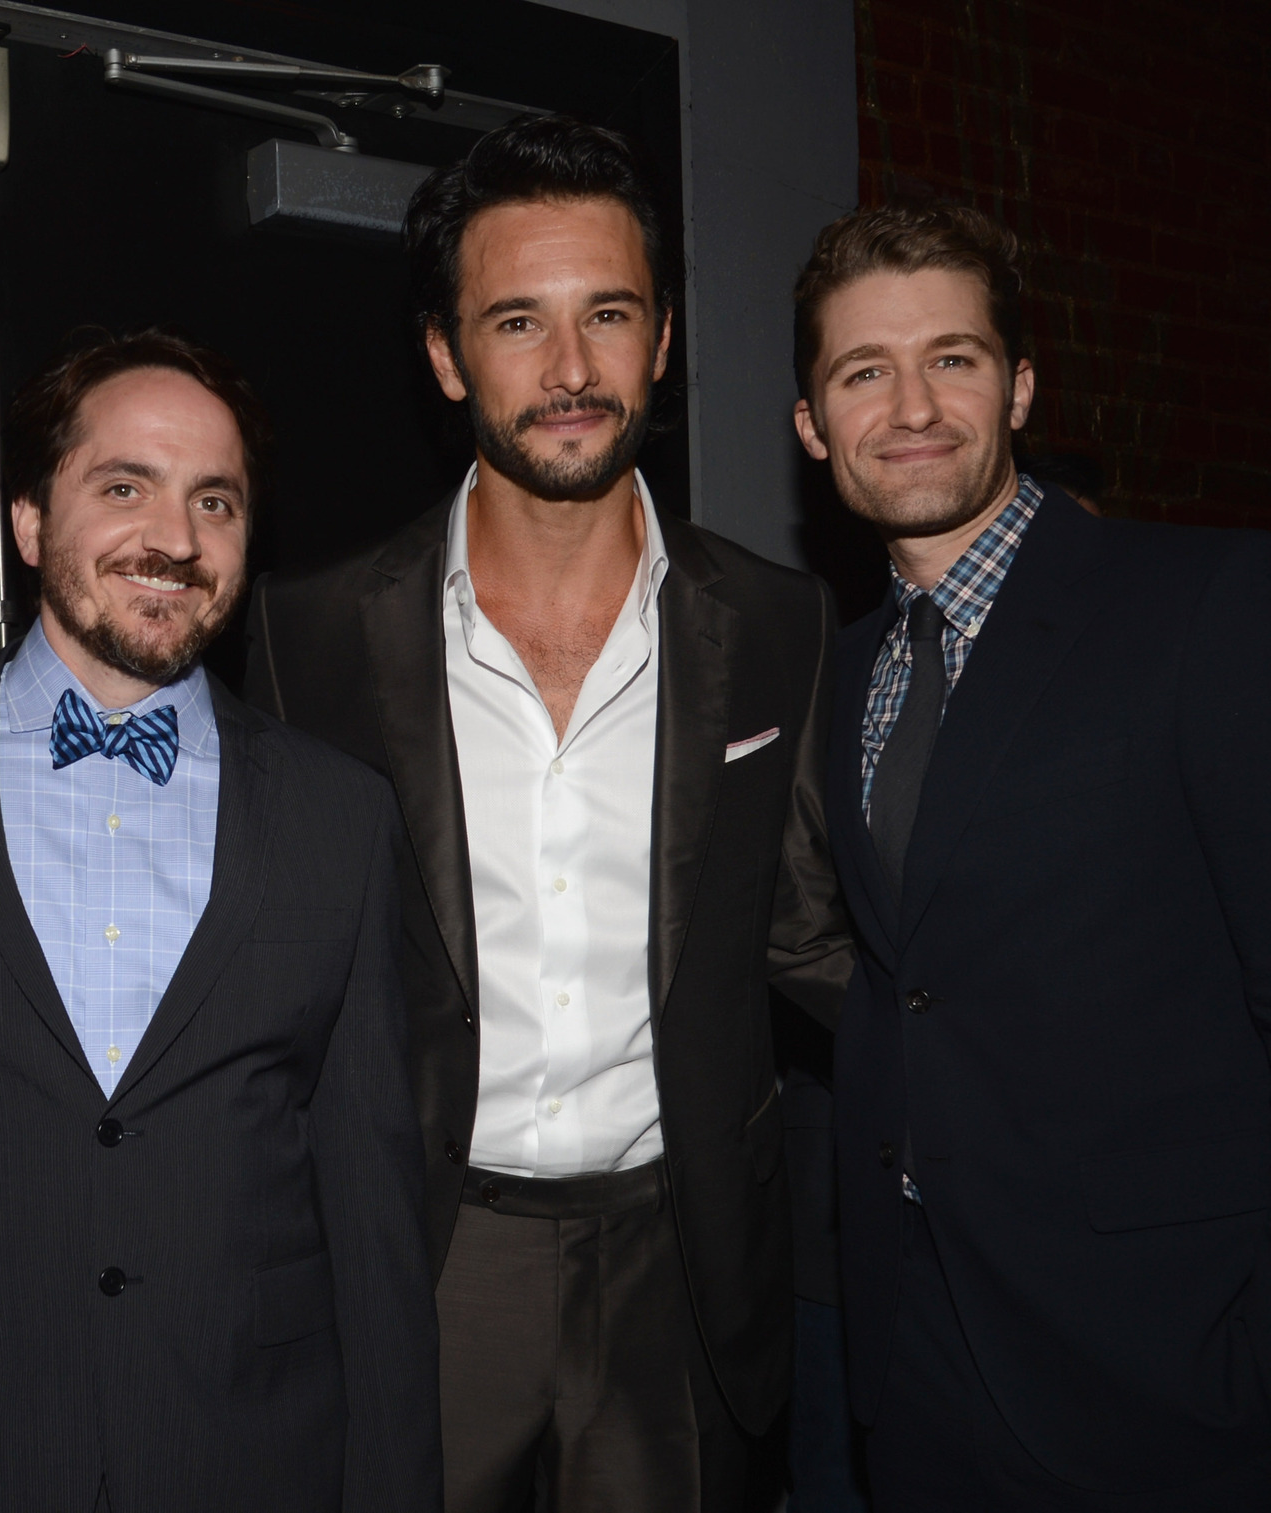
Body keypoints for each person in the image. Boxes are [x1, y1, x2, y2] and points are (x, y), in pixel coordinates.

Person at [244, 116, 856, 1511]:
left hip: (683, 1252)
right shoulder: (313, 636)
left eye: (610, 316)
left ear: (664, 338)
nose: (572, 371)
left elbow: (814, 930)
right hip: (428, 1248)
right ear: (448, 354)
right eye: (519, 321)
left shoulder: (776, 622)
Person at [0, 328, 442, 1513]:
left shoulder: (337, 814)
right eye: (123, 487)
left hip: (249, 1455)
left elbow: (372, 1208)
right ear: (28, 524)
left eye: (215, 500)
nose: (173, 537)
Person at [793, 200, 1271, 1510]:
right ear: (811, 426)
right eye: (862, 372)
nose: (912, 404)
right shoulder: (843, 674)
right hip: (920, 1366)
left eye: (953, 357)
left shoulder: (1209, 606)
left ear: (1020, 387)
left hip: (1174, 1377)